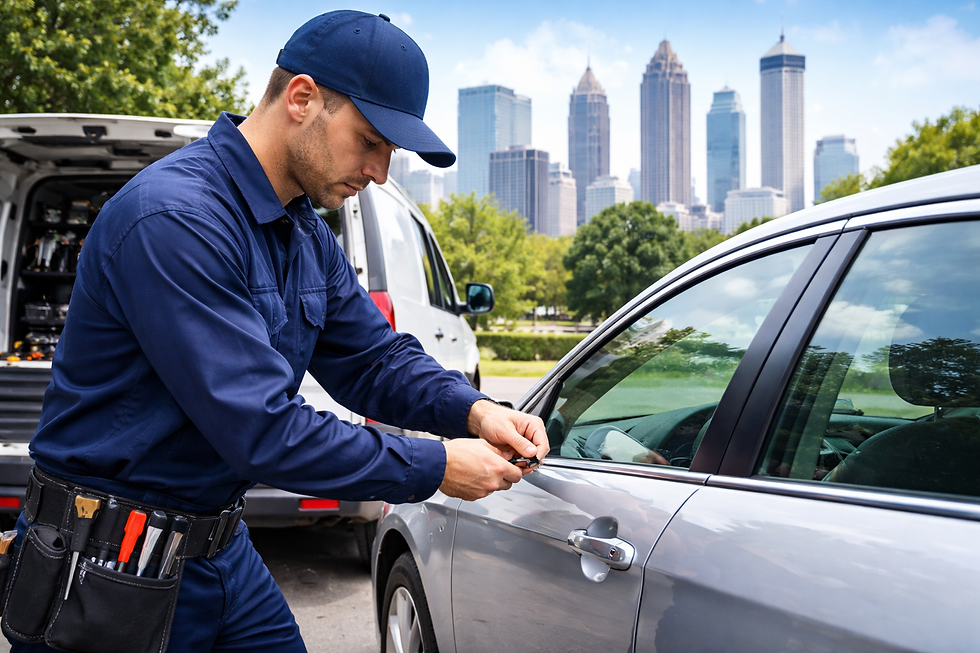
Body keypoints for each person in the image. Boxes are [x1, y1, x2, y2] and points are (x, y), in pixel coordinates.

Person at [7, 10, 547, 652]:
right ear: (302, 98)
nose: (380, 172)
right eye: (371, 141)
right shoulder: (176, 220)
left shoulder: (303, 231)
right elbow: (261, 429)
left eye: (390, 153)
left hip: (218, 546)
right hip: (106, 566)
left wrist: (474, 409)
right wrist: (436, 465)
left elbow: (372, 357)